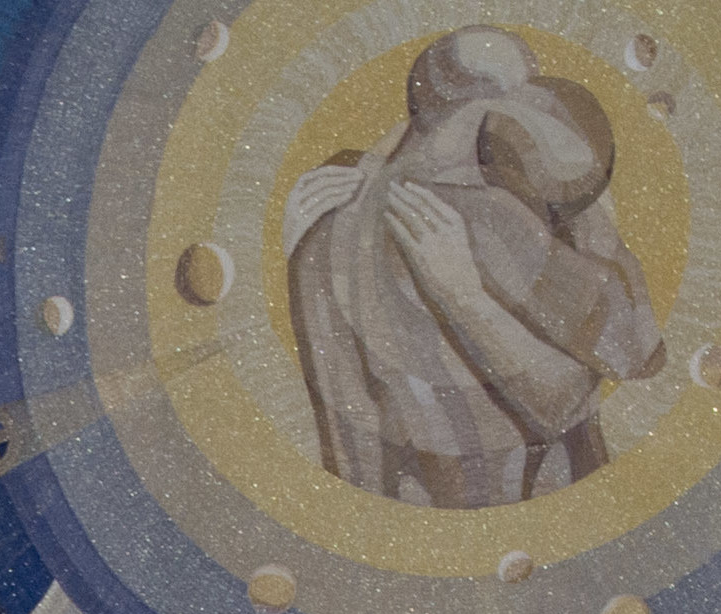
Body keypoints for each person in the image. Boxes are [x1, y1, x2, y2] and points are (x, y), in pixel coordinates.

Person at [282, 28, 663, 508]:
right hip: (541, 509)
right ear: (488, 115)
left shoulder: (323, 221)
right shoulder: (492, 214)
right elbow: (630, 353)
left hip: (420, 529)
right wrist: (470, 297)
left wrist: (299, 256)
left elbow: (348, 442)